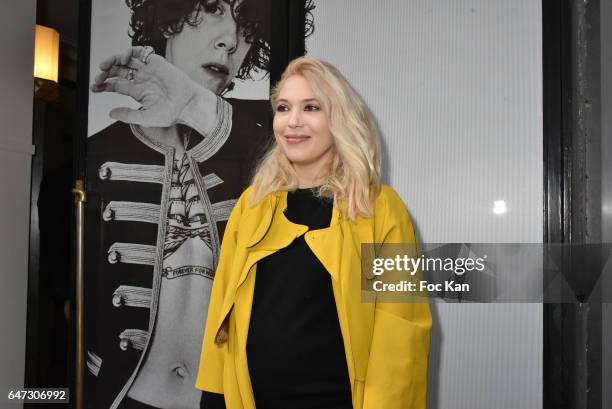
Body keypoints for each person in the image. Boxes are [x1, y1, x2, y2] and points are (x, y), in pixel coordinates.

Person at [195, 57, 432, 409]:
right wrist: (213, 396)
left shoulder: (380, 208)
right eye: (283, 107)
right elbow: (221, 312)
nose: (293, 121)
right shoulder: (252, 204)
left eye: (311, 107)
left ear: (338, 117)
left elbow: (401, 331)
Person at [84, 0, 281, 408]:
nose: (231, 40)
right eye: (212, 8)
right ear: (167, 19)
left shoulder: (270, 142)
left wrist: (195, 106)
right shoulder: (92, 156)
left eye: (247, 26)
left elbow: (323, 194)